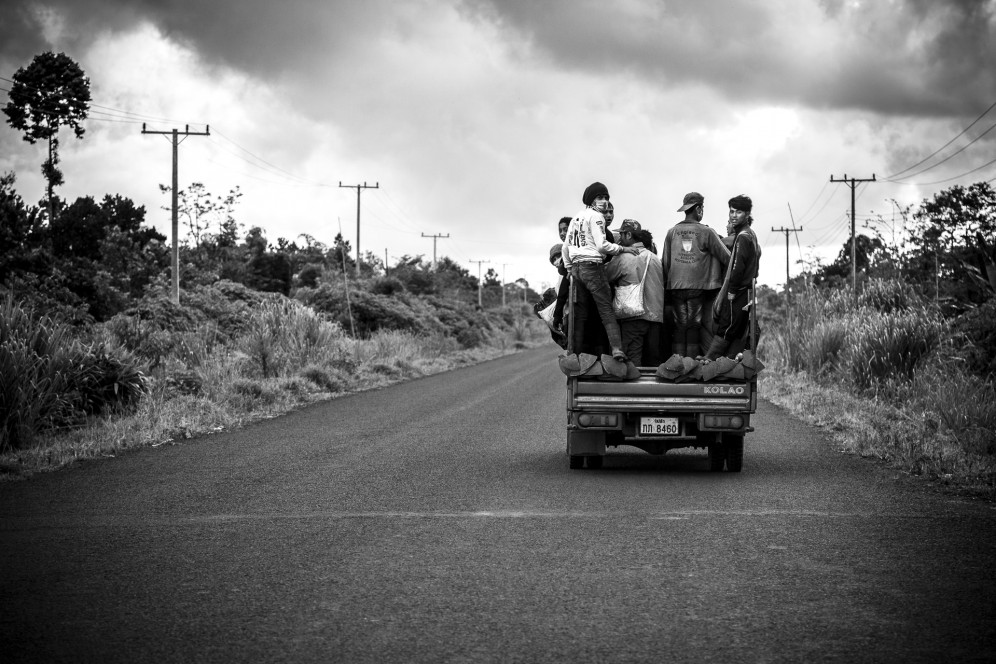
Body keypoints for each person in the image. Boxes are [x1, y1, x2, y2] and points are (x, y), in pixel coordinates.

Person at [562, 182, 639, 362]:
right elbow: (601, 245)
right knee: (606, 310)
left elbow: (566, 247)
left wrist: (568, 268)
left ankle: (574, 355)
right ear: (591, 199)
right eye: (600, 198)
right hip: (593, 267)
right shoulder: (597, 217)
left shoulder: (576, 218)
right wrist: (623, 249)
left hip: (577, 270)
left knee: (579, 315)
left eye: (606, 198)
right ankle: (617, 350)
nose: (604, 202)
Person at [662, 192, 730, 358]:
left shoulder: (672, 232)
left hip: (676, 287)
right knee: (693, 324)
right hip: (697, 288)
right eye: (702, 208)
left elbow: (665, 263)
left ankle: (677, 364)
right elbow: (727, 257)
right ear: (699, 209)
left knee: (680, 325)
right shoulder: (706, 232)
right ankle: (690, 365)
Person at [704, 194, 762, 360]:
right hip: (746, 290)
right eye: (732, 212)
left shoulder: (743, 237)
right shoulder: (750, 234)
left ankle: (710, 358)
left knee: (727, 326)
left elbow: (738, 266)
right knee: (734, 326)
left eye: (739, 212)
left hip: (739, 290)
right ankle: (726, 359)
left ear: (747, 214)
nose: (734, 216)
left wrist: (732, 290)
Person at [603, 220, 665, 366]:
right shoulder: (655, 259)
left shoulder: (623, 257)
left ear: (629, 235)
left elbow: (604, 277)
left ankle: (634, 389)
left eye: (622, 235)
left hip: (633, 318)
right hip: (655, 319)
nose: (620, 239)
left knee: (633, 361)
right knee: (652, 362)